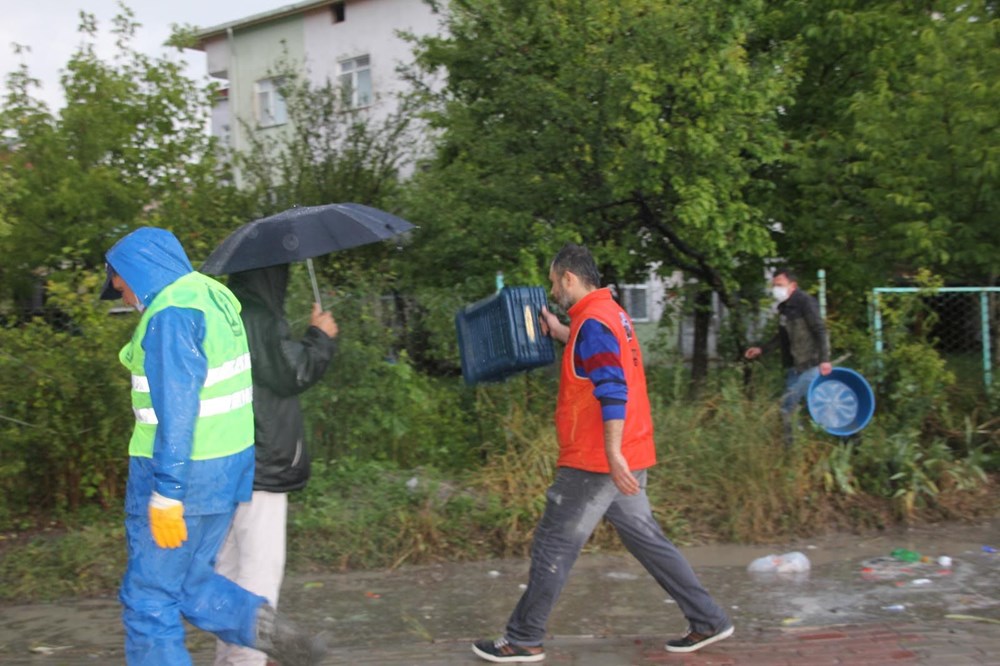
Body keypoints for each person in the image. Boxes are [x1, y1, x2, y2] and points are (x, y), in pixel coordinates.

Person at [472, 243, 733, 663]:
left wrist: (612, 453)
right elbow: (598, 357)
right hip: (629, 453)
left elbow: (612, 388)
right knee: (647, 540)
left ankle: (523, 639)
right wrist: (560, 331)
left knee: (553, 546)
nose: (553, 291)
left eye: (555, 282)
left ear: (569, 278)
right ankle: (708, 619)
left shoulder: (593, 324)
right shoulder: (609, 315)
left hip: (596, 460)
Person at [99, 227, 327, 666]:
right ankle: (275, 635)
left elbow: (177, 409)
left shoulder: (172, 313)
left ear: (137, 270)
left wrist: (167, 493)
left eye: (120, 285)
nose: (123, 297)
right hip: (225, 473)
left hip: (182, 479)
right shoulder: (214, 297)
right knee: (190, 582)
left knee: (149, 600)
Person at [214, 264, 338, 666]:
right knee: (259, 570)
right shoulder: (259, 317)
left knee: (229, 568)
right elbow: (292, 371)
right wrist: (321, 336)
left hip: (226, 460)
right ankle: (247, 660)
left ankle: (230, 657)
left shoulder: (226, 313)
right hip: (262, 461)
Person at [744, 268, 832, 446]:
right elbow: (782, 336)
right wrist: (761, 349)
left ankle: (841, 437)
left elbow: (820, 330)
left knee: (788, 406)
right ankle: (794, 447)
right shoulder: (783, 308)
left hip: (810, 363)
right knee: (799, 406)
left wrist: (824, 360)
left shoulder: (805, 302)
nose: (776, 289)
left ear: (793, 286)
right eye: (774, 285)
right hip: (794, 366)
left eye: (780, 285)